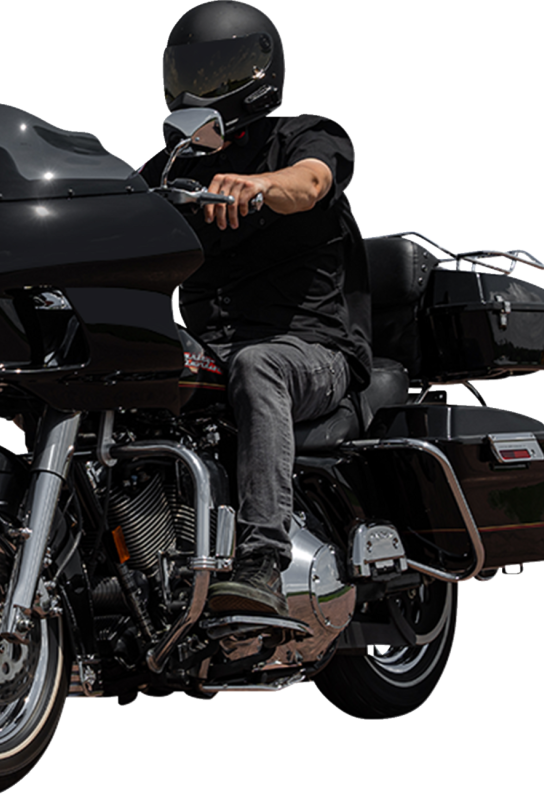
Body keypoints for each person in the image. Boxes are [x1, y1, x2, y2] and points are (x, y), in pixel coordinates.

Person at [140, 0, 371, 617]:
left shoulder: (303, 137)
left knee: (258, 365)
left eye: (221, 69)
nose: (201, 86)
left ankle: (263, 559)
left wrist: (261, 186)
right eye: (191, 71)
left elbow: (311, 183)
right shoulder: (170, 168)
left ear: (261, 72)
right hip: (211, 350)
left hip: (311, 351)